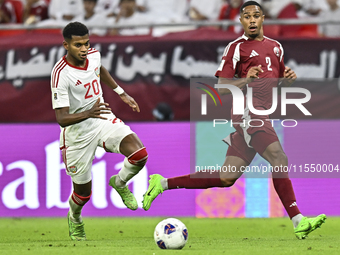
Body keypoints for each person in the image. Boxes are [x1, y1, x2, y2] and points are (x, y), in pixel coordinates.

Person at [142, 1, 326, 240]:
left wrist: (286, 80)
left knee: (226, 177)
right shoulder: (235, 48)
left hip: (261, 112)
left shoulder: (276, 47)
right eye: (246, 16)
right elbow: (222, 87)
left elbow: (274, 83)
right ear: (240, 21)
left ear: (262, 19)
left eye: (256, 16)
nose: (251, 20)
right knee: (278, 157)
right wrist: (245, 80)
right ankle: (298, 220)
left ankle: (163, 183)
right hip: (248, 112)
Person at [51, 22, 148, 241]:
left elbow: (99, 69)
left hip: (101, 119)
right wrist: (88, 112)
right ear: (66, 45)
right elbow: (61, 118)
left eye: (86, 43)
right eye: (78, 45)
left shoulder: (94, 56)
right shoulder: (60, 74)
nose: (84, 49)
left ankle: (120, 183)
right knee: (83, 194)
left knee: (139, 155)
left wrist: (121, 92)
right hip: (77, 135)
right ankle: (75, 219)